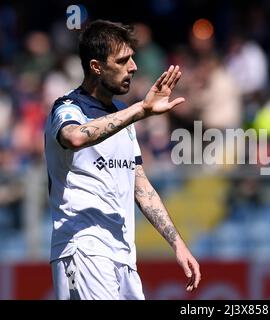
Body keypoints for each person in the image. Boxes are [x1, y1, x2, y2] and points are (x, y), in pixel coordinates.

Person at [44, 20, 201, 300]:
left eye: (133, 58)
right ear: (96, 67)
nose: (133, 67)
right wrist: (141, 110)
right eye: (123, 60)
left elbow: (140, 185)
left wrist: (177, 244)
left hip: (123, 255)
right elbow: (74, 137)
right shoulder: (68, 108)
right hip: (84, 249)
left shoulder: (122, 114)